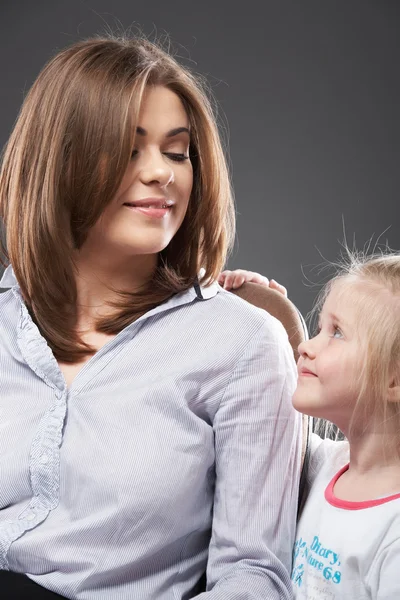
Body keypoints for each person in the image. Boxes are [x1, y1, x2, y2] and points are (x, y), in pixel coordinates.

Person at [0, 36, 302, 599]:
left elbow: (254, 577)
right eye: (129, 148)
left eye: (176, 151)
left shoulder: (240, 344)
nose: (161, 173)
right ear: (58, 158)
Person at [224, 251, 400, 599]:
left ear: (394, 379)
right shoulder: (324, 464)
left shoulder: (392, 529)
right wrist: (262, 312)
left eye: (337, 333)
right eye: (320, 327)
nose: (307, 346)